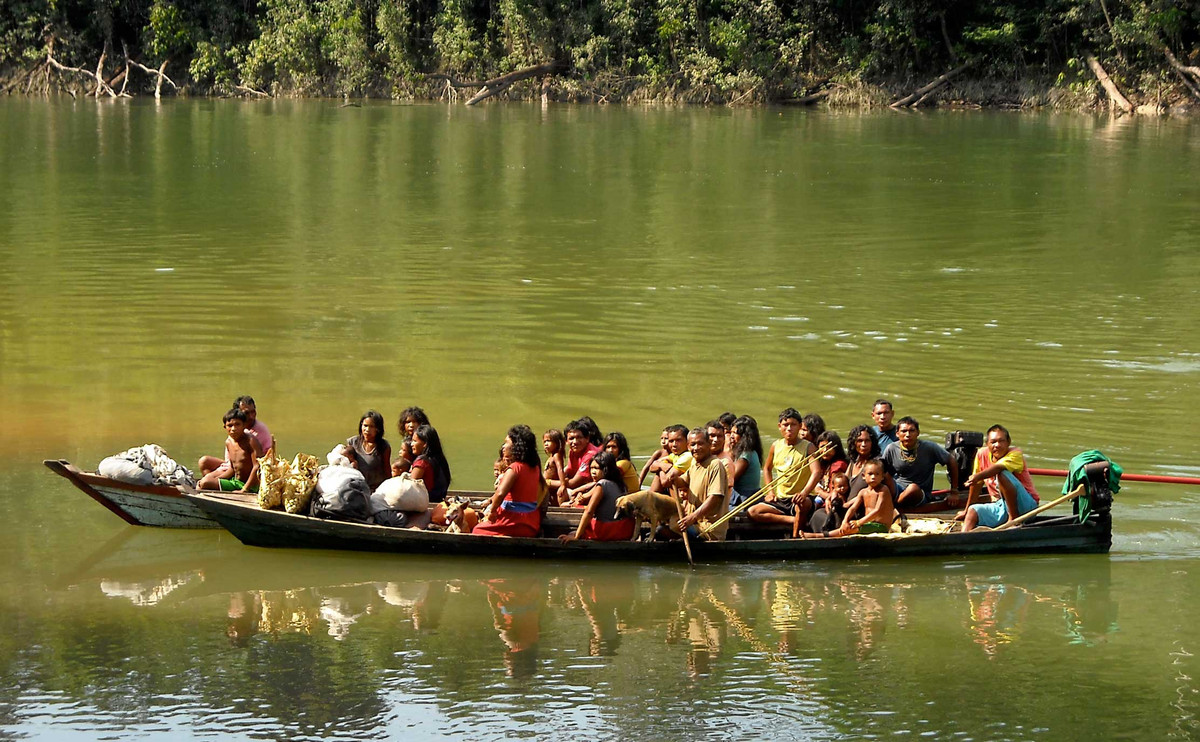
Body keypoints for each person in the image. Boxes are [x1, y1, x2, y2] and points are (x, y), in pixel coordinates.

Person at [959, 425, 1041, 531]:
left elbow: (998, 468)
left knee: (1002, 474)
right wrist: (965, 511)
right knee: (972, 511)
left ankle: (1014, 519)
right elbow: (976, 485)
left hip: (1026, 506)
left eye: (1001, 441)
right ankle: (962, 539)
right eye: (993, 442)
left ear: (1008, 442)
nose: (997, 445)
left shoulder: (1015, 453)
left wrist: (978, 476)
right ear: (987, 444)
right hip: (1001, 505)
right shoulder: (981, 454)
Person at [747, 408, 815, 532]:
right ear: (780, 426)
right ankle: (791, 520)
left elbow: (816, 472)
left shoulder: (808, 447)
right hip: (780, 499)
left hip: (799, 498)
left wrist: (804, 493)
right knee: (753, 512)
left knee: (803, 505)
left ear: (800, 426)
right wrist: (770, 492)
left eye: (793, 425)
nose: (789, 428)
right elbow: (767, 469)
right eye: (785, 425)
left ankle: (796, 538)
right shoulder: (776, 446)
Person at [475, 425, 546, 538]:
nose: (503, 446)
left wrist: (492, 511)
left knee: (477, 530)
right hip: (531, 523)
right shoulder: (534, 467)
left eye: (506, 443)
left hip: (514, 521)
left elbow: (500, 493)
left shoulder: (515, 468)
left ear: (515, 446)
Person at [880, 416, 959, 510]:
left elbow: (951, 461)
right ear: (897, 434)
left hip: (919, 492)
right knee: (881, 472)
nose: (908, 434)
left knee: (912, 488)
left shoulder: (929, 447)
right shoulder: (891, 448)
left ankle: (893, 507)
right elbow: (883, 470)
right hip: (898, 489)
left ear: (918, 433)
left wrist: (954, 491)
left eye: (912, 431)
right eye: (904, 431)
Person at [806, 459, 895, 537]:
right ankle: (823, 534)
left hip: (880, 526)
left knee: (851, 528)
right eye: (870, 474)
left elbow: (877, 510)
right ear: (863, 476)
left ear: (882, 477)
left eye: (877, 474)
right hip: (867, 524)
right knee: (847, 525)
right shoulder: (863, 492)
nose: (873, 477)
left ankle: (819, 535)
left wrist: (859, 522)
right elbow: (852, 508)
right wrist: (845, 520)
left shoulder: (883, 490)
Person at [560, 452, 635, 542]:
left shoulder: (602, 484)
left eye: (596, 468)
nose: (593, 472)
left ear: (606, 469)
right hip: (624, 530)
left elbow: (589, 511)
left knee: (572, 533)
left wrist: (576, 536)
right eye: (591, 468)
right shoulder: (621, 485)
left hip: (607, 531)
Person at [672, 429, 732, 541]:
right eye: (692, 444)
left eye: (700, 444)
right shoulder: (695, 463)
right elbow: (684, 482)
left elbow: (715, 497)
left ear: (709, 444)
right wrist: (674, 479)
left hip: (708, 529)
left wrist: (693, 517)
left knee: (667, 529)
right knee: (663, 526)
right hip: (693, 523)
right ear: (688, 447)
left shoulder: (715, 465)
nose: (696, 448)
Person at [198, 395, 273, 478]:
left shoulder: (256, 433)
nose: (251, 416)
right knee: (204, 462)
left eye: (253, 412)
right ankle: (218, 486)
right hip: (231, 465)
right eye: (247, 413)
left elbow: (260, 460)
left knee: (207, 481)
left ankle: (218, 484)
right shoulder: (235, 428)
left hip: (247, 468)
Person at [198, 408, 262, 492]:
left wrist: (244, 489)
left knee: (205, 483)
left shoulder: (251, 441)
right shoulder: (228, 442)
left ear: (244, 425)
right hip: (236, 481)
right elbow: (232, 468)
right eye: (230, 425)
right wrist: (216, 478)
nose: (233, 429)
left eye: (237, 424)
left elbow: (258, 466)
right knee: (204, 481)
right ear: (225, 427)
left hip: (250, 485)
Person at [343, 410, 392, 492]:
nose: (367, 429)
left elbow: (387, 470)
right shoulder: (353, 442)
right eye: (365, 426)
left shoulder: (383, 446)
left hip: (375, 490)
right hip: (356, 488)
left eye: (371, 426)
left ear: (378, 429)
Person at [560, 419, 602, 502]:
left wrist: (548, 482)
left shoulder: (591, 454)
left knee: (561, 491)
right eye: (571, 438)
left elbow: (573, 483)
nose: (575, 442)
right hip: (583, 489)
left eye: (579, 437)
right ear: (566, 441)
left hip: (594, 492)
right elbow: (569, 470)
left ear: (587, 439)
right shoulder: (572, 451)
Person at [727, 415, 763, 508]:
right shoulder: (750, 452)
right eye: (731, 432)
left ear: (744, 436)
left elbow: (730, 480)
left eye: (735, 433)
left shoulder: (746, 455)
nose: (731, 436)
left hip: (744, 500)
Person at [410, 424, 451, 503]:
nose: (411, 444)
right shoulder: (440, 459)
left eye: (415, 441)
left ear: (425, 444)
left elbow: (410, 487)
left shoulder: (421, 462)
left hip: (425, 502)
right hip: (438, 500)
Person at [647, 424, 692, 494]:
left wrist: (661, 468)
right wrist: (662, 465)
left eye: (678, 440)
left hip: (684, 499)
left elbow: (666, 482)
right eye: (671, 441)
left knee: (660, 473)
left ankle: (651, 497)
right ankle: (651, 497)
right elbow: (652, 467)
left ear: (687, 441)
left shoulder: (687, 456)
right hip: (676, 495)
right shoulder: (675, 455)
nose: (674, 444)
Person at [391, 406, 431, 476]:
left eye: (414, 422)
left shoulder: (427, 442)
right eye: (408, 422)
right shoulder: (406, 441)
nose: (411, 425)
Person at [706, 419, 734, 491]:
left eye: (719, 436)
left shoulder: (725, 463)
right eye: (712, 436)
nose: (715, 440)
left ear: (724, 439)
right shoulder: (700, 458)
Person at [542, 429, 566, 495]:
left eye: (548, 441)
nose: (546, 444)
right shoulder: (551, 456)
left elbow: (560, 469)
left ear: (557, 442)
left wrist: (563, 484)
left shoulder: (556, 455)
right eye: (544, 442)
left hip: (551, 482)